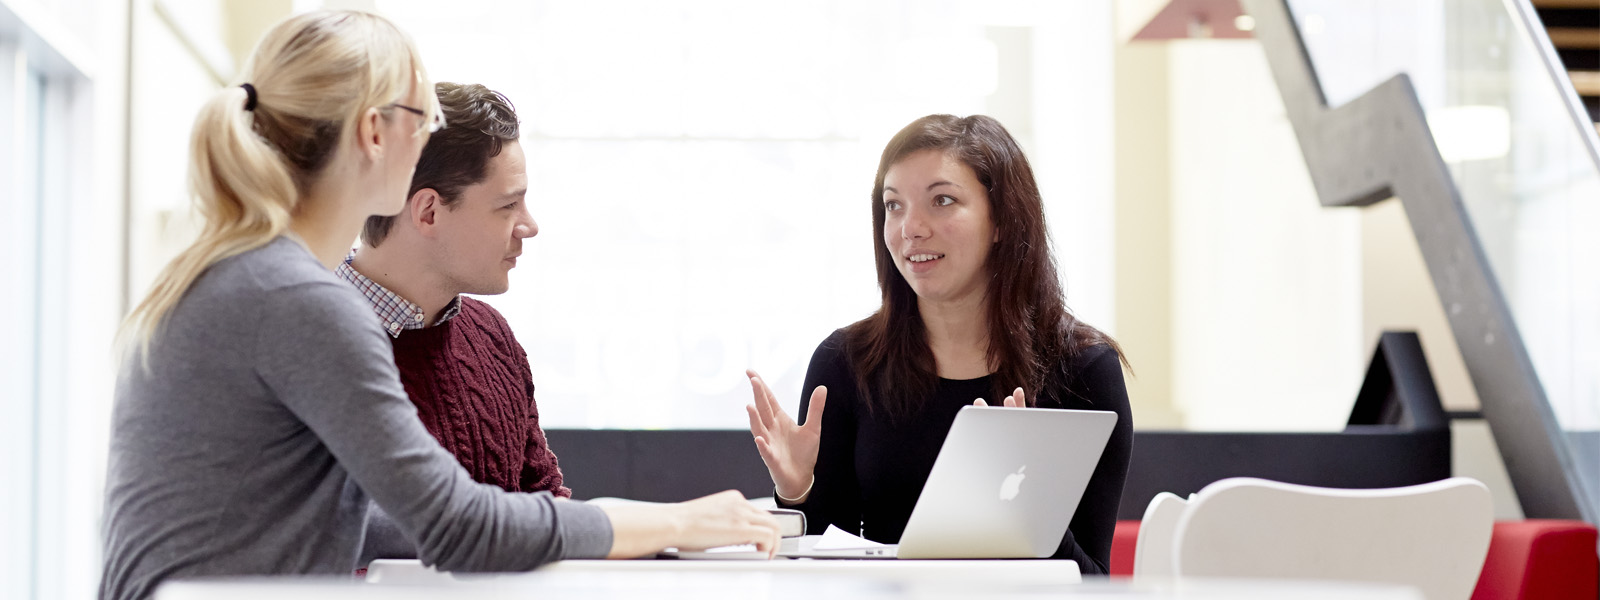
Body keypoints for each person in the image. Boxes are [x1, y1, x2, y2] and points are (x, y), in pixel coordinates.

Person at [102, 11, 776, 600]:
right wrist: (681, 522)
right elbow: (459, 528)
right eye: (422, 119)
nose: (428, 138)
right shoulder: (298, 300)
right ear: (374, 132)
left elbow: (341, 519)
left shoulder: (248, 275)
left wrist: (610, 524)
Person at [744, 114, 1132, 574]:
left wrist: (1028, 513)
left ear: (1002, 220)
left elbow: (1092, 585)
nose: (911, 228)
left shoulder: (1084, 370)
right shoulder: (846, 362)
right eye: (894, 206)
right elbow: (826, 571)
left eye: (942, 200)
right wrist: (797, 491)